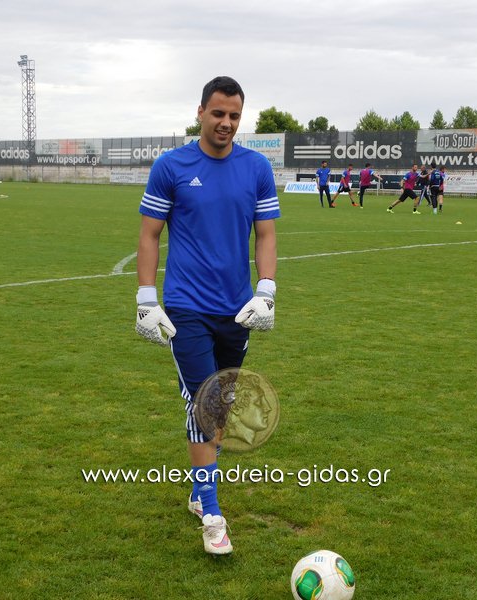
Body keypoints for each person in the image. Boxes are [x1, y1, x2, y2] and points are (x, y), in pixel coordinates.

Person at [135, 76, 280, 555]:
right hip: (186, 307)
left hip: (237, 310)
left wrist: (266, 291)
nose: (226, 123)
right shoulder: (172, 166)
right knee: (205, 402)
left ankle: (199, 492)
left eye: (234, 115)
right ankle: (213, 515)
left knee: (221, 405)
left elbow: (265, 234)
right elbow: (150, 234)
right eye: (218, 113)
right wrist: (146, 298)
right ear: (200, 112)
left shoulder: (256, 168)